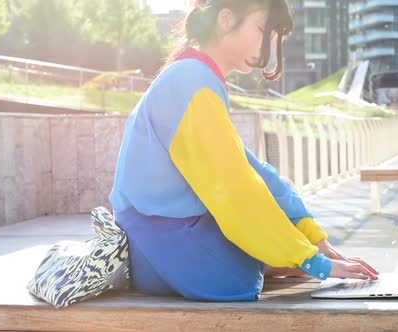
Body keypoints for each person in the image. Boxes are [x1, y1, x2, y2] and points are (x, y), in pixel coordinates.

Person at [109, 0, 378, 302]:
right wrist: (311, 260)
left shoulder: (195, 76)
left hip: (159, 241)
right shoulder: (191, 80)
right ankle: (273, 264)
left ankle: (276, 261)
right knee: (241, 280)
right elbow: (235, 188)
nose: (269, 46)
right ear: (226, 20)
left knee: (279, 192)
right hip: (160, 246)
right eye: (263, 30)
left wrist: (315, 239)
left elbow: (253, 169)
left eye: (275, 38)